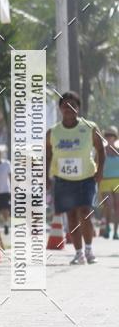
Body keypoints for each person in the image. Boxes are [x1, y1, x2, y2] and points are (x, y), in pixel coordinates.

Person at [46, 91, 105, 265]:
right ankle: (78, 253)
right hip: (63, 180)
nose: (69, 109)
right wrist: (46, 177)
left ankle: (89, 250)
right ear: (60, 109)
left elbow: (101, 150)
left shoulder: (90, 127)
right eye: (65, 106)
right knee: (71, 216)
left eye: (73, 106)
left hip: (86, 178)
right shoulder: (53, 132)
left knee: (85, 213)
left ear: (78, 108)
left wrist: (100, 170)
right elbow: (48, 155)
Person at [99, 125, 119, 239]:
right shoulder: (101, 150)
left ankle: (116, 232)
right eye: (107, 135)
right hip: (105, 181)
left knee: (117, 207)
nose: (109, 137)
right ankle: (107, 227)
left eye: (112, 135)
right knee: (109, 205)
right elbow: (97, 164)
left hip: (118, 181)